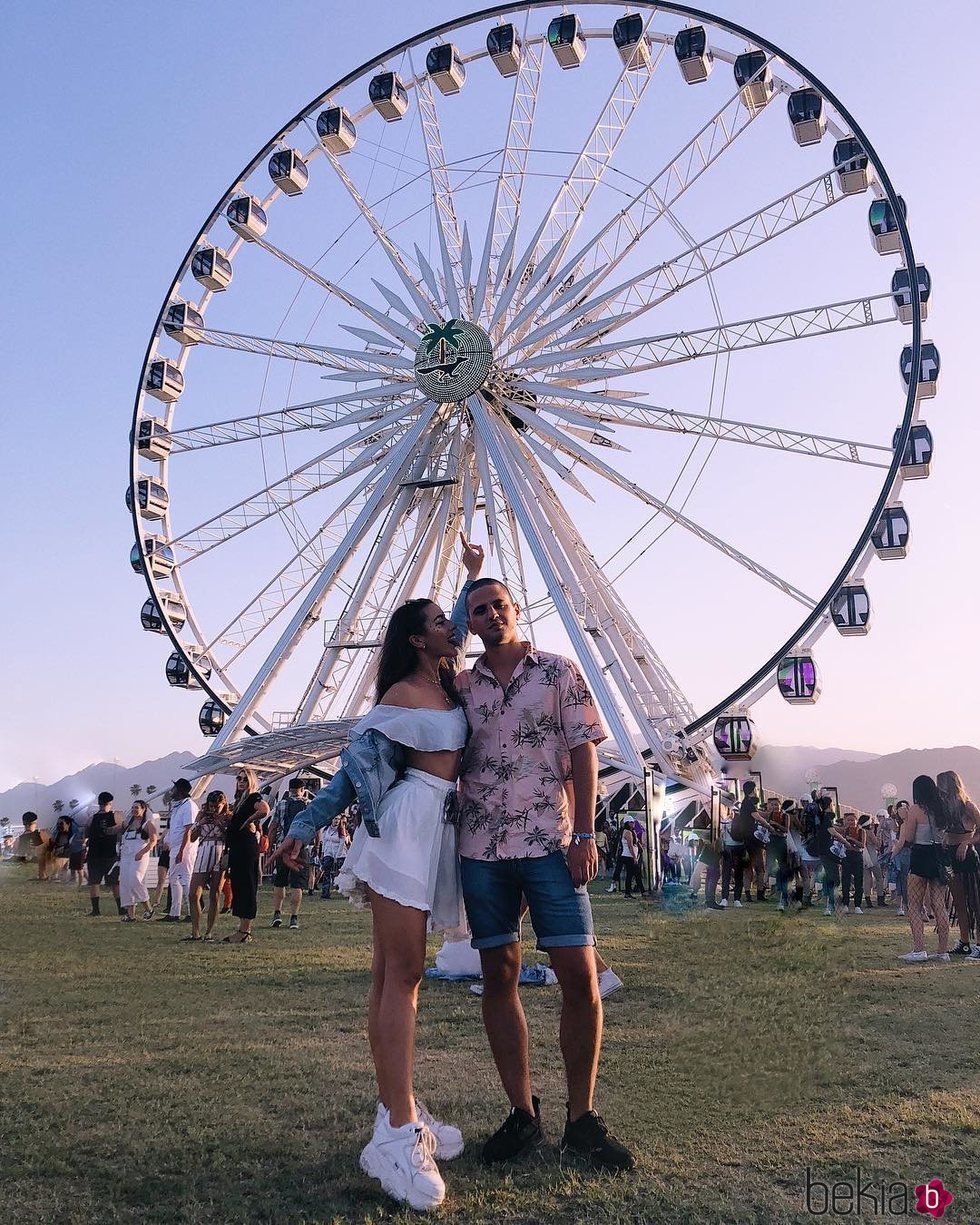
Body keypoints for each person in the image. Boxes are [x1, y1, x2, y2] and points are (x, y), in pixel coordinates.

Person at [278, 591, 473, 1213]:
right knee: (405, 972)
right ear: (417, 640)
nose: (452, 627)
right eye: (439, 622)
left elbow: (465, 626)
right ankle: (395, 1131)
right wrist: (305, 827)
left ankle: (400, 1105)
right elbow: (350, 773)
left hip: (438, 827)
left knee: (392, 973)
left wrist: (470, 581)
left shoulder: (449, 690)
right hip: (406, 825)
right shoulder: (397, 700)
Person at [453, 561, 635, 1174]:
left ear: (516, 607)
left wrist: (586, 831)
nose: (491, 615)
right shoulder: (462, 686)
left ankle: (581, 1118)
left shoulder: (558, 671)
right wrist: (468, 579)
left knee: (578, 976)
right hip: (481, 848)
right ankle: (521, 1113)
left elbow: (584, 753)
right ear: (470, 621)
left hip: (551, 843)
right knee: (498, 975)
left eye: (498, 604)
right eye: (479, 609)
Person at [891, 775, 950, 962]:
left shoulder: (916, 809)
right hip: (940, 856)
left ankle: (919, 949)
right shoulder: (943, 808)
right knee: (939, 905)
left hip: (920, 856)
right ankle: (942, 951)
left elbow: (908, 838)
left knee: (915, 905)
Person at [935, 770, 980, 958]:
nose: (939, 790)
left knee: (975, 902)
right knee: (959, 902)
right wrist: (946, 838)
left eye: (941, 785)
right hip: (950, 856)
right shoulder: (945, 808)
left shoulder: (968, 806)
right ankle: (964, 942)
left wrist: (966, 842)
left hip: (967, 855)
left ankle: (978, 943)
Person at [223, 769, 269, 945]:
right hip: (238, 847)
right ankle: (242, 929)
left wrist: (250, 821)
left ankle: (245, 931)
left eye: (245, 779)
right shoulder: (240, 801)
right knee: (239, 886)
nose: (241, 781)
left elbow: (264, 809)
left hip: (246, 847)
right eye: (239, 778)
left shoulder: (253, 798)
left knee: (246, 886)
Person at [187, 790, 231, 941]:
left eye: (216, 806)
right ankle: (195, 932)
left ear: (223, 804)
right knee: (193, 893)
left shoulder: (228, 817)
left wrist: (222, 825)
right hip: (204, 849)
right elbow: (192, 838)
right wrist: (200, 823)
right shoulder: (202, 814)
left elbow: (231, 837)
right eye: (211, 806)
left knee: (215, 894)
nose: (213, 809)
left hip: (220, 851)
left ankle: (209, 932)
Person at [268, 778, 311, 930]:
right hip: (301, 849)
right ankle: (294, 917)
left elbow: (273, 826)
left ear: (289, 789)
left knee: (280, 881)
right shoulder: (308, 805)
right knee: (297, 884)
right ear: (303, 789)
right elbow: (315, 828)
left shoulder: (282, 804)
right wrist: (316, 845)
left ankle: (277, 913)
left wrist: (271, 847)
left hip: (283, 846)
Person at [163, 779, 198, 922]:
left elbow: (188, 830)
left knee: (186, 880)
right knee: (174, 880)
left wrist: (182, 851)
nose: (172, 791)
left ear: (181, 791)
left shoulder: (189, 806)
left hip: (185, 849)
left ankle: (191, 912)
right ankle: (174, 912)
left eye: (175, 788)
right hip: (176, 847)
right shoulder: (178, 806)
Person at [118, 800, 157, 921]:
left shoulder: (148, 824)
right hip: (126, 856)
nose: (134, 810)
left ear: (143, 809)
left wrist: (142, 852)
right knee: (125, 883)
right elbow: (117, 829)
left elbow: (153, 840)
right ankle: (130, 915)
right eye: (133, 807)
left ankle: (148, 908)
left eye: (137, 808)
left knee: (134, 879)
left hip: (139, 856)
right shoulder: (128, 823)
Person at [85, 793, 122, 917]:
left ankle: (96, 910)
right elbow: (121, 832)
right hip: (109, 854)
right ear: (110, 804)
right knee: (114, 882)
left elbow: (86, 835)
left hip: (95, 854)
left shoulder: (92, 818)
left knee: (95, 882)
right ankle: (120, 909)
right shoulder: (116, 817)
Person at [838, 812, 866, 915]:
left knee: (859, 881)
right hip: (846, 856)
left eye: (852, 820)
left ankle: (857, 905)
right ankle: (845, 904)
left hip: (857, 856)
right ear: (844, 821)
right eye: (848, 820)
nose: (850, 822)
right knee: (845, 880)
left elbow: (862, 845)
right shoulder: (843, 831)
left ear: (856, 821)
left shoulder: (861, 831)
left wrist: (852, 840)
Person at [318, 815, 349, 900]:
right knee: (326, 872)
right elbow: (324, 842)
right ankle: (325, 892)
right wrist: (323, 853)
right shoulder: (326, 830)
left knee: (343, 872)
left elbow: (342, 844)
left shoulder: (341, 831)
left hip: (340, 854)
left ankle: (347, 891)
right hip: (329, 853)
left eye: (338, 819)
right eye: (335, 819)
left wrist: (337, 856)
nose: (336, 821)